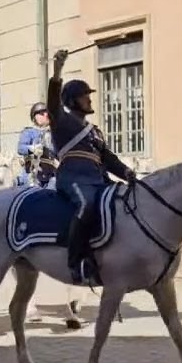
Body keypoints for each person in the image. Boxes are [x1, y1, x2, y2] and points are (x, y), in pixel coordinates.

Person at [48, 48, 136, 286]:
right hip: (73, 178)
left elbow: (107, 157)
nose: (89, 99)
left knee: (125, 202)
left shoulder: (95, 131)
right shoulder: (61, 121)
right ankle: (75, 262)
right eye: (84, 95)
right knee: (86, 205)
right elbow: (53, 100)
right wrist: (57, 70)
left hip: (99, 179)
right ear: (72, 100)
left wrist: (126, 173)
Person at [17, 101, 57, 188]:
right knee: (34, 195)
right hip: (32, 174)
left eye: (47, 113)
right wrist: (32, 148)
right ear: (35, 117)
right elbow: (20, 148)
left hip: (51, 176)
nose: (46, 115)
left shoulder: (54, 133)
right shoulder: (29, 132)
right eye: (42, 113)